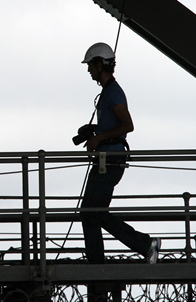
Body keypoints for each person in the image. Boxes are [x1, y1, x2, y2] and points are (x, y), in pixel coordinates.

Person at [76, 43, 161, 264]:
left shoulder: (113, 92)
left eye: (90, 66)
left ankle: (144, 244)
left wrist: (98, 138)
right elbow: (114, 126)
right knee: (89, 212)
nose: (88, 71)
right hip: (105, 159)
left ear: (99, 65)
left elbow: (127, 125)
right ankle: (97, 262)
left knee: (93, 211)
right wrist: (93, 131)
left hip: (111, 160)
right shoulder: (108, 92)